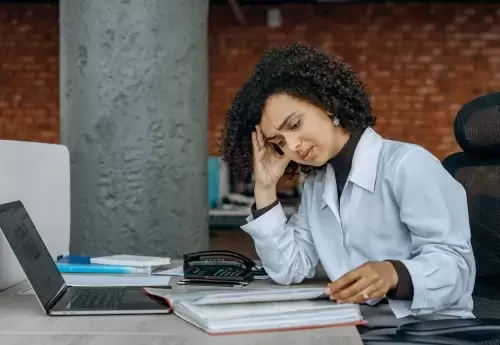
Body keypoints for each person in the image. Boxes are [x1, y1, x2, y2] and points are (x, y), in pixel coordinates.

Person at [220, 42, 476, 329]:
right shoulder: (317, 185)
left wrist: (394, 274)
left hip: (431, 329)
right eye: (278, 142)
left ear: (327, 103)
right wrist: (265, 188)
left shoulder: (407, 164)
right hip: (362, 326)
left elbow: (457, 268)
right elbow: (288, 268)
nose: (292, 145)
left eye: (294, 125)